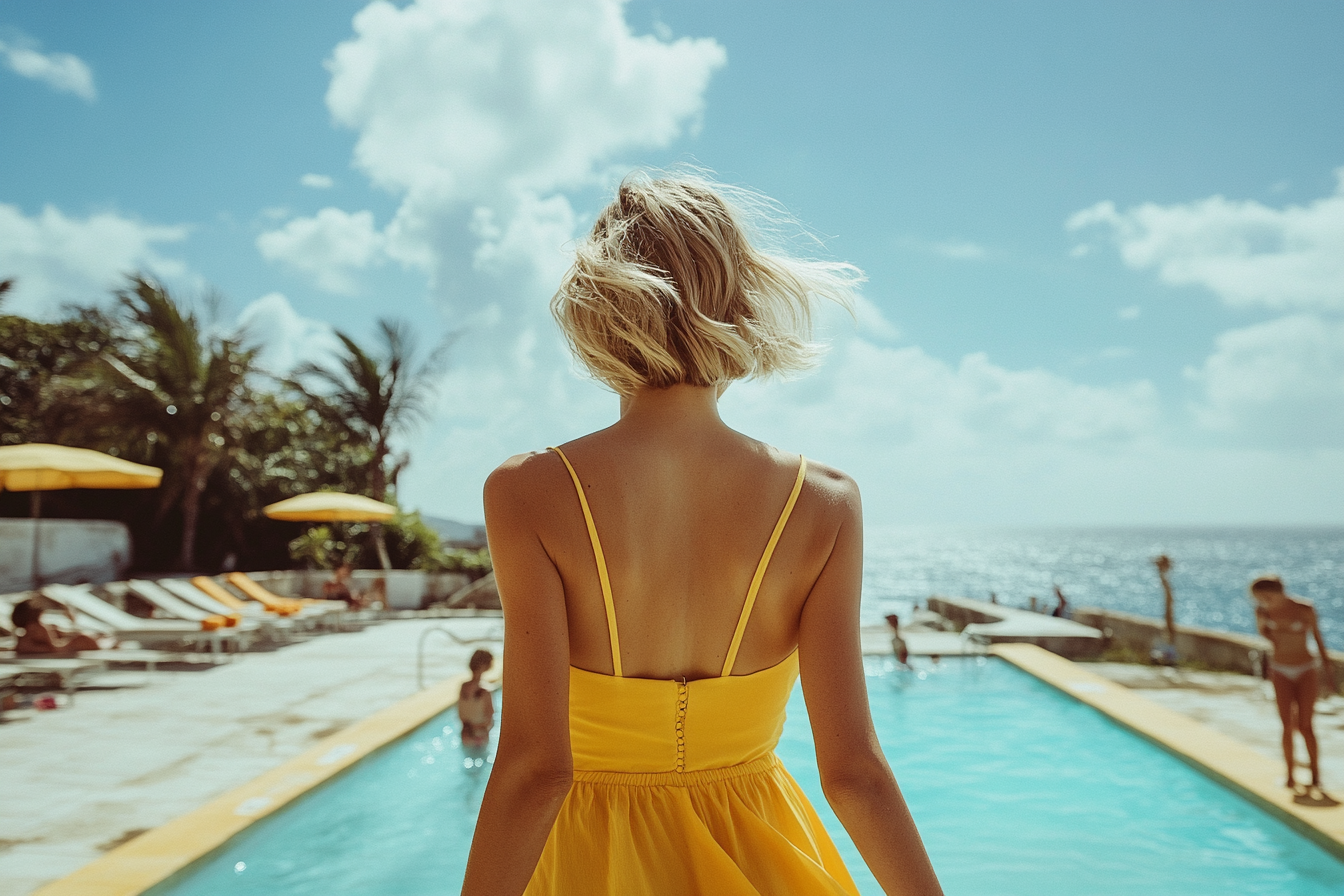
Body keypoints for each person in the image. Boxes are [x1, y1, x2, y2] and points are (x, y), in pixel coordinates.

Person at [461, 173, 942, 896]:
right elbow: (854, 776)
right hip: (770, 859)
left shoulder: (529, 493)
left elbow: (537, 770)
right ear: (739, 303)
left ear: (597, 310)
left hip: (592, 865)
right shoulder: (826, 504)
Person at [1251, 574, 1335, 795]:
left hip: (1306, 669)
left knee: (1306, 726)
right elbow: (1264, 632)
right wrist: (1278, 637)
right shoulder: (1263, 611)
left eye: (1266, 596)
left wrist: (1328, 670)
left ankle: (1316, 777)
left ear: (1278, 591)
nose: (1264, 600)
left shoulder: (1304, 608)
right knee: (1286, 725)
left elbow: (1318, 637)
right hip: (1280, 670)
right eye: (1259, 598)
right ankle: (1289, 775)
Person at [11, 598, 102, 656]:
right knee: (83, 638)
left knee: (83, 637)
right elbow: (54, 647)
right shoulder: (39, 628)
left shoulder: (30, 632)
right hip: (59, 649)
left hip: (53, 648)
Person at [459, 649, 496, 749]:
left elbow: (461, 715)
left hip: (465, 735)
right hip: (480, 736)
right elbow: (490, 718)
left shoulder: (463, 687)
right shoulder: (485, 691)